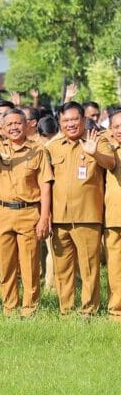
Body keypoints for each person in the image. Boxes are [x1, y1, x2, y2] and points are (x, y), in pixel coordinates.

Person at [0, 102, 52, 317]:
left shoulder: (38, 150)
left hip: (29, 212)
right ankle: (9, 308)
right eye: (9, 124)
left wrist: (44, 217)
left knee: (29, 265)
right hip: (2, 213)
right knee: (6, 265)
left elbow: (45, 186)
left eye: (17, 123)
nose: (13, 128)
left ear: (27, 125)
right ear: (2, 127)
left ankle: (29, 309)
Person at [47, 102, 116, 316]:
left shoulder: (97, 140)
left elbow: (111, 163)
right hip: (59, 218)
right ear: (60, 122)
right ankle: (66, 310)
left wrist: (94, 153)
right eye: (65, 120)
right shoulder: (53, 147)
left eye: (74, 119)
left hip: (88, 216)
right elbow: (45, 182)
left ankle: (89, 311)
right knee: (63, 270)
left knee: (89, 268)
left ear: (83, 120)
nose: (70, 124)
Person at [104, 110, 121, 321]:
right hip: (113, 218)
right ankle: (116, 311)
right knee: (115, 269)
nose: (120, 130)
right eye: (116, 127)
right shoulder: (107, 150)